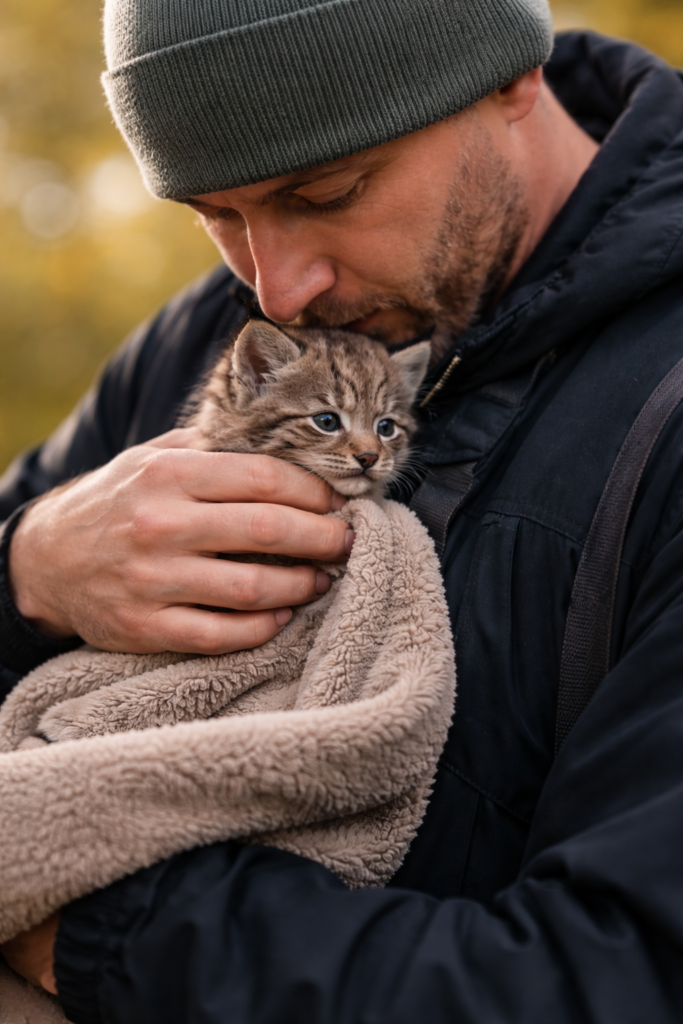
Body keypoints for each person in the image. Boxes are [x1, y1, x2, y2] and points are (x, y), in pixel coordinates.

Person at [2, 0, 683, 1017]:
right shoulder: (206, 335)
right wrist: (29, 568)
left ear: (509, 78)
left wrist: (93, 924)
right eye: (215, 216)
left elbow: (611, 980)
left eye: (325, 192)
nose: (277, 288)